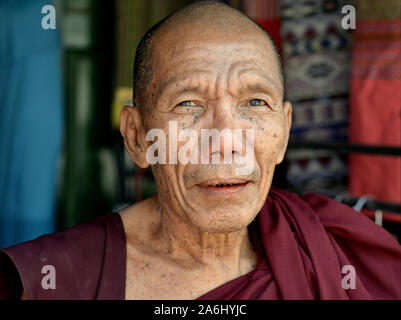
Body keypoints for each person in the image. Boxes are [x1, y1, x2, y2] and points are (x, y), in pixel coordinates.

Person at [1, 1, 400, 300]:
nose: (226, 140)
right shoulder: (53, 277)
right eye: (188, 104)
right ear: (138, 138)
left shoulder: (334, 249)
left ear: (284, 131)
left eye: (255, 103)